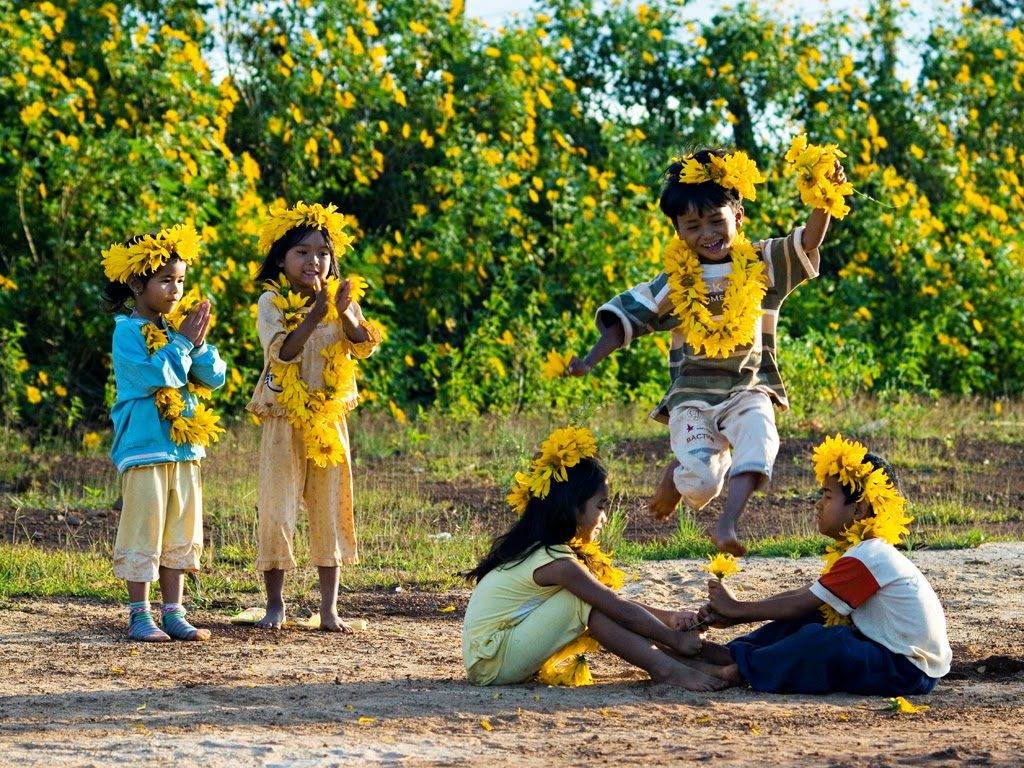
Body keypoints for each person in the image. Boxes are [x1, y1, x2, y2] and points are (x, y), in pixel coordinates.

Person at [568, 148, 847, 555]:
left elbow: (807, 241)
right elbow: (626, 318)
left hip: (748, 387)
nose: (707, 233)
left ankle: (727, 525)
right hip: (693, 399)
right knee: (703, 482)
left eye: (717, 220)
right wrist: (590, 360)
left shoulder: (762, 263)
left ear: (739, 217)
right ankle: (679, 471)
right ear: (678, 232)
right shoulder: (675, 281)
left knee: (761, 439)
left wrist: (824, 194)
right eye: (693, 225)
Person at [462, 426, 731, 690]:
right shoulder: (555, 562)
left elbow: (614, 605)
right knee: (586, 602)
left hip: (495, 655)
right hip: (492, 661)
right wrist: (672, 637)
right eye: (600, 506)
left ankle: (703, 663)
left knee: (594, 603)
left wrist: (669, 618)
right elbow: (615, 606)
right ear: (571, 508)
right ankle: (668, 669)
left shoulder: (545, 551)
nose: (604, 518)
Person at [694, 434, 952, 695]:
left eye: (827, 496)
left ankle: (743, 666)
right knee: (815, 615)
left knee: (829, 641)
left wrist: (737, 609)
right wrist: (736, 612)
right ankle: (731, 654)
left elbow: (798, 603)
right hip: (889, 657)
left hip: (906, 669)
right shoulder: (864, 552)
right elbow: (806, 596)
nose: (818, 505)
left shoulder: (869, 556)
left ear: (859, 510)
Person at [247, 201, 381, 632]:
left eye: (322, 252)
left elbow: (364, 345)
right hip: (283, 418)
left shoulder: (342, 298)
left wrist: (342, 311)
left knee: (331, 509)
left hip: (328, 420)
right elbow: (282, 353)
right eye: (302, 252)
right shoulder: (271, 302)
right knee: (277, 509)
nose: (314, 261)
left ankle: (329, 609)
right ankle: (275, 605)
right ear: (281, 260)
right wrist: (317, 314)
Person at [102, 224, 227, 642]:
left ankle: (174, 611)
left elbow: (213, 378)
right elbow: (155, 376)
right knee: (144, 528)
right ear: (137, 285)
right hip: (144, 449)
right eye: (166, 280)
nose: (176, 290)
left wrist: (199, 344)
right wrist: (184, 345)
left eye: (181, 280)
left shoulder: (178, 333)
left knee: (180, 531)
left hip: (184, 448)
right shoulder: (127, 332)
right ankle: (140, 614)